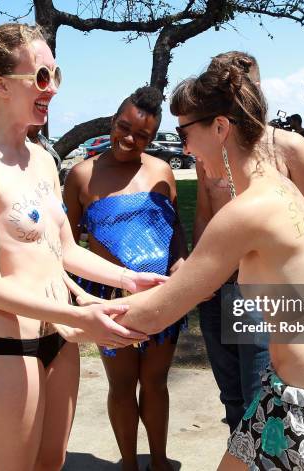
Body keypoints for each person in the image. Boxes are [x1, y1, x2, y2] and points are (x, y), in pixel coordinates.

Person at [108, 57, 304, 470]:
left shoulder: (248, 211)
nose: (184, 148)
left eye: (185, 132)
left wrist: (61, 315)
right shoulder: (276, 188)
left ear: (219, 128)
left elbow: (154, 314)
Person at [0, 23, 164, 471]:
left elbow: (62, 249)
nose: (52, 88)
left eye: (56, 75)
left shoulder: (43, 158)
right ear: (1, 85)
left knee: (53, 464)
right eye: (41, 77)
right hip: (8, 348)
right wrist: (79, 317)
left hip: (60, 340)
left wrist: (125, 279)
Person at [194, 51, 304, 433]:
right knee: (232, 394)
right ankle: (240, 453)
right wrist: (198, 272)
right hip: (219, 285)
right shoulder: (206, 152)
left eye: (241, 87)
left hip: (263, 291)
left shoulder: (289, 147)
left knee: (263, 393)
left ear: (258, 89)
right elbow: (205, 216)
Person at [64, 86, 188, 471]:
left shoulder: (161, 170)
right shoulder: (81, 176)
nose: (130, 140)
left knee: (156, 382)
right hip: (109, 300)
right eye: (123, 127)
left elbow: (176, 224)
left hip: (161, 296)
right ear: (113, 121)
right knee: (121, 385)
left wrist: (181, 261)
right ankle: (129, 464)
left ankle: (160, 462)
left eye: (143, 136)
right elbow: (65, 246)